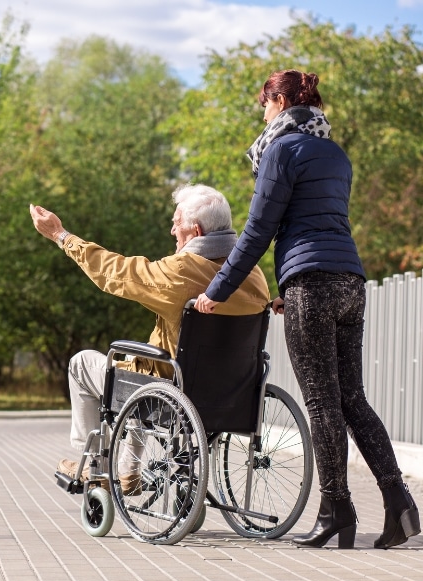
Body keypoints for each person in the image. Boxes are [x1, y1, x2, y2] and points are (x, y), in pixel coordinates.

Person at [195, 69, 420, 549]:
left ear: (279, 101)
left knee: (321, 402)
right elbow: (320, 222)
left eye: (264, 102)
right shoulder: (336, 153)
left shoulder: (281, 149)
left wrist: (217, 289)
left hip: (311, 284)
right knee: (351, 398)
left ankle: (336, 507)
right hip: (350, 281)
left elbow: (259, 230)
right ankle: (399, 501)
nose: (262, 111)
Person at [30, 183, 270, 494]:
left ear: (194, 231)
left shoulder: (179, 272)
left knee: (87, 365)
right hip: (234, 396)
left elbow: (115, 272)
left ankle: (94, 465)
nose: (172, 231)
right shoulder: (254, 275)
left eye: (176, 222)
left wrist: (62, 237)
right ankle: (128, 473)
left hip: (174, 393)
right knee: (143, 370)